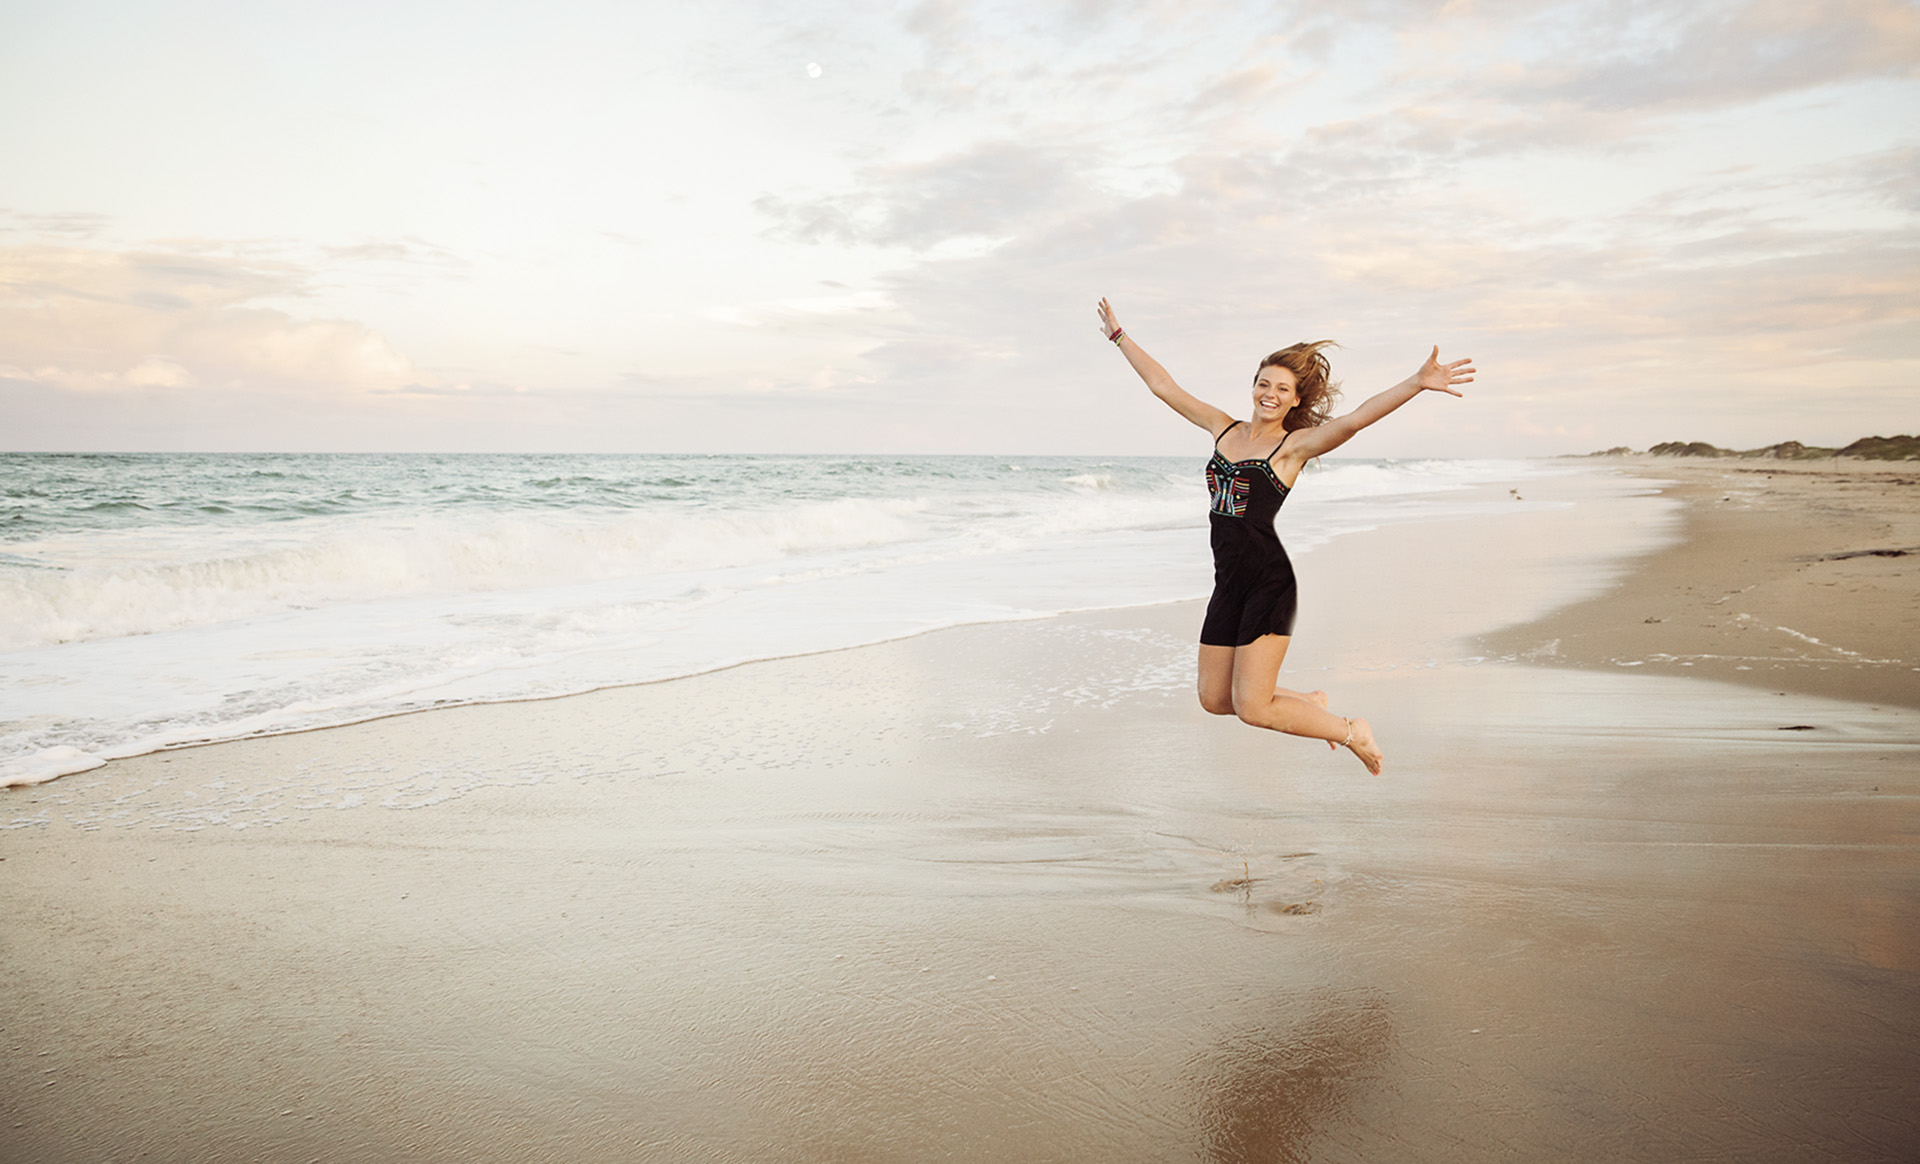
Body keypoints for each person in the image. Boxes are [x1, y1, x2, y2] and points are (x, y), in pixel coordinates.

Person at [1095, 298, 1474, 775]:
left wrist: (1417, 383)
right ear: (1253, 386)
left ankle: (1350, 729)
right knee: (1215, 700)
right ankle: (1308, 700)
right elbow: (1162, 386)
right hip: (1228, 584)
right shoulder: (1223, 429)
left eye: (1282, 389)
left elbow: (1353, 421)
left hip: (1268, 585)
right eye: (1263, 383)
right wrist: (1119, 336)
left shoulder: (1291, 448)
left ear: (1296, 400)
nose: (1269, 394)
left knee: (1253, 708)